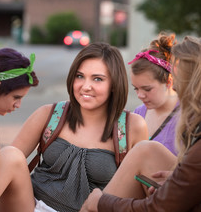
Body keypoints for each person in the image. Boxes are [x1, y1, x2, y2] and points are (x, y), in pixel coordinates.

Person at [0, 42, 148, 212]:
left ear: (114, 83)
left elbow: (138, 194)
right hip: (32, 206)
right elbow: (5, 167)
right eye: (80, 76)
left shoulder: (131, 126)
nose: (85, 86)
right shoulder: (50, 114)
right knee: (10, 154)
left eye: (97, 79)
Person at [80, 36, 201, 212]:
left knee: (145, 150)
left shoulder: (186, 122)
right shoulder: (139, 114)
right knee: (146, 150)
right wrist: (180, 180)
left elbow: (157, 207)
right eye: (136, 89)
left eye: (178, 82)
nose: (175, 89)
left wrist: (100, 203)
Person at [129, 33, 179, 155]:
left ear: (168, 82)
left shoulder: (189, 117)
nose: (140, 95)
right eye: (136, 88)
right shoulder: (138, 114)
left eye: (147, 89)